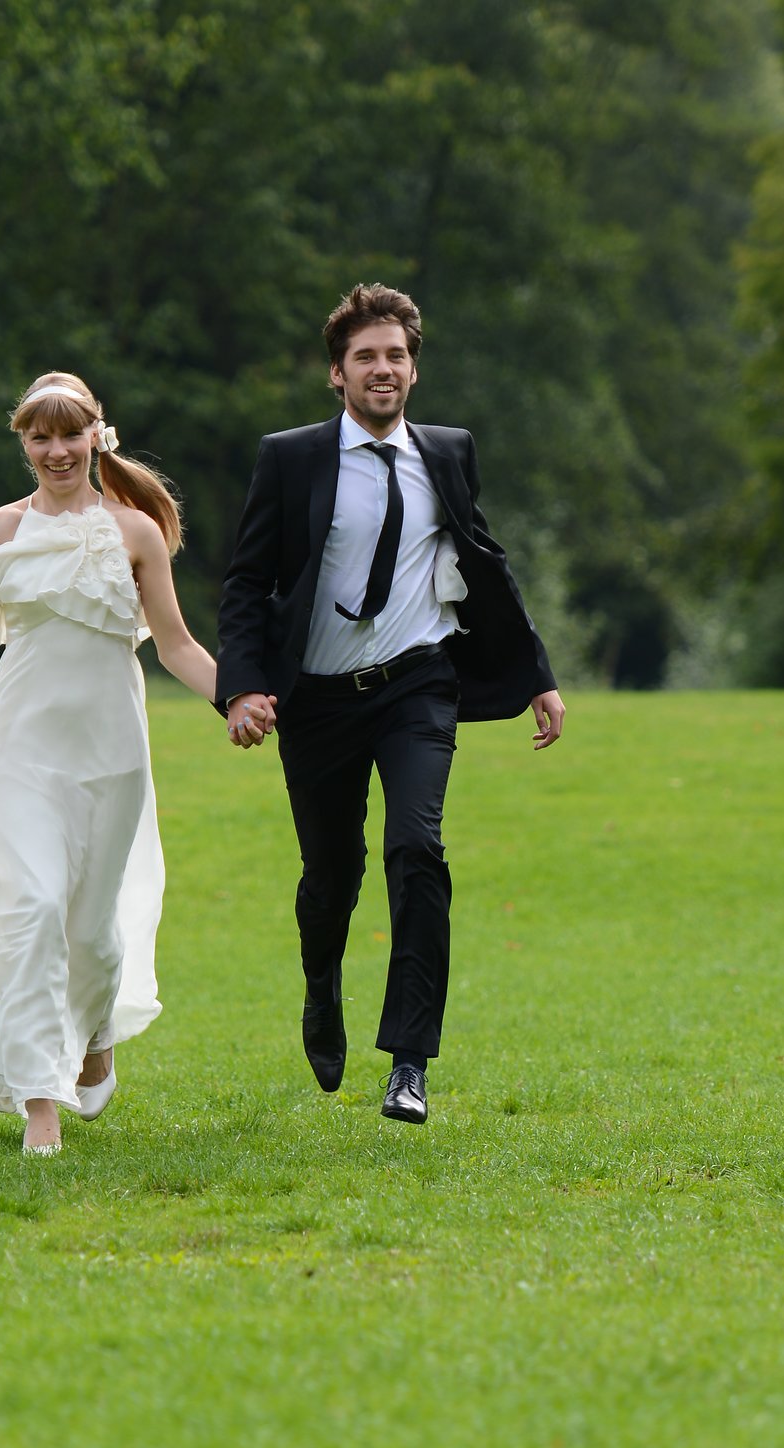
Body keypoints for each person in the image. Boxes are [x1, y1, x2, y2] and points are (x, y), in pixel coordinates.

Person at [216, 282, 565, 1124]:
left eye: (396, 356)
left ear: (415, 368)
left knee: (418, 851)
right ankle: (321, 985)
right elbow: (246, 583)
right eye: (366, 357)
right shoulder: (291, 458)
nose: (383, 369)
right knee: (331, 876)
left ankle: (409, 1061)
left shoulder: (447, 451)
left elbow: (484, 557)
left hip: (418, 683)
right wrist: (241, 688)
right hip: (320, 702)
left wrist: (537, 674)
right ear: (337, 373)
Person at [0, 372, 270, 1155]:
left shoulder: (134, 531)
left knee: (94, 931)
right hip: (16, 747)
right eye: (40, 436)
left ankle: (97, 1029)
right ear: (24, 444)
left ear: (95, 436)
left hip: (110, 749)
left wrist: (236, 699)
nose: (56, 450)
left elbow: (174, 643)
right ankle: (41, 1102)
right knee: (32, 909)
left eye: (70, 434)